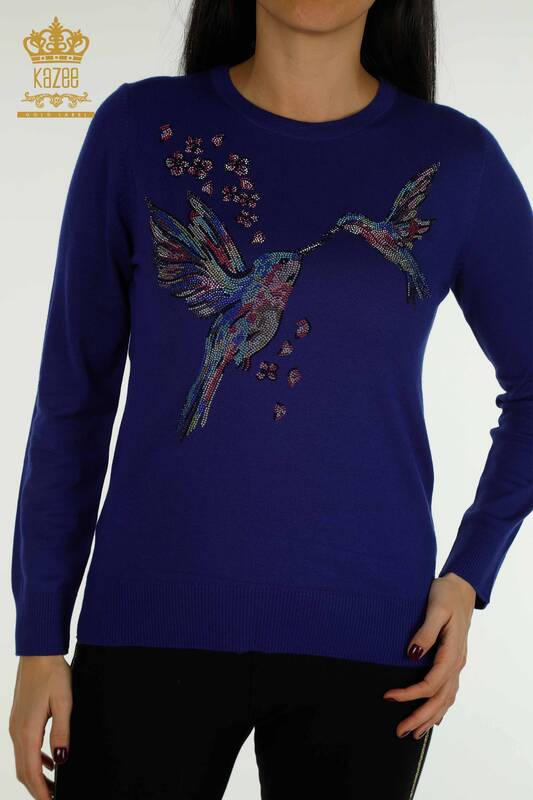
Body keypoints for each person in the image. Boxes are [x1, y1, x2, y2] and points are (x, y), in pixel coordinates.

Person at [8, 1, 533, 798]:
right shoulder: (138, 128)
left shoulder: (457, 159)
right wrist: (40, 635)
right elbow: (72, 398)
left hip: (371, 643)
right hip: (147, 627)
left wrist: (468, 575)